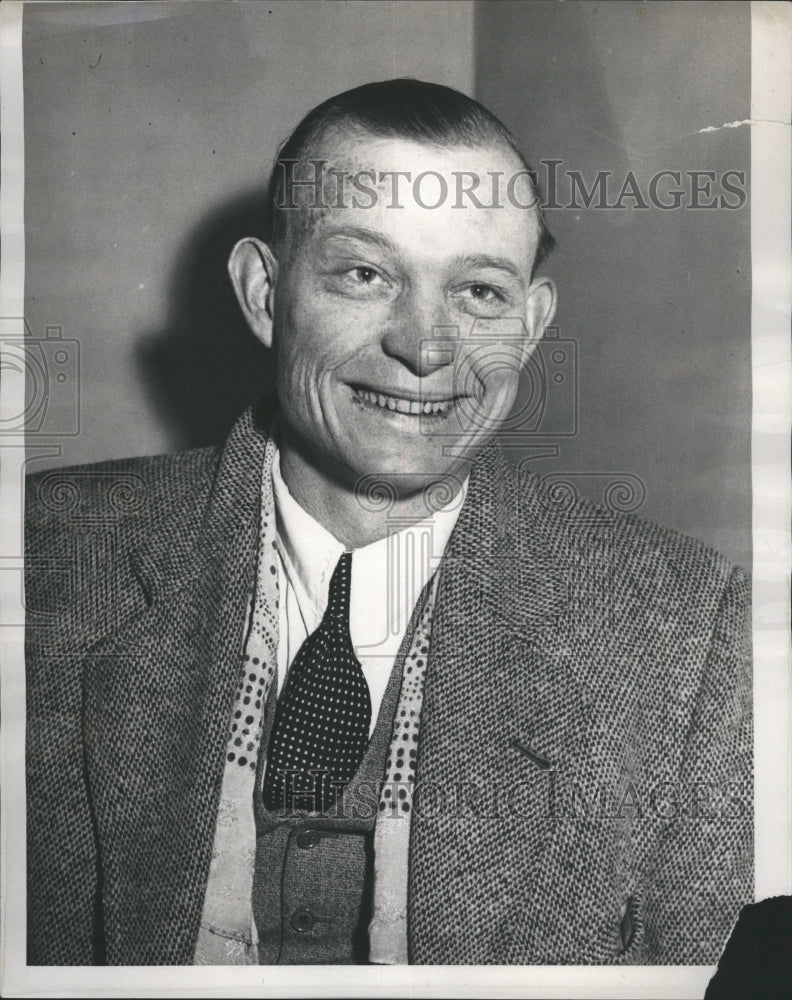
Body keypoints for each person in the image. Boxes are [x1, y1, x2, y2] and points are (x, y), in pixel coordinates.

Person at [25, 79, 751, 966]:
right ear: (264, 293)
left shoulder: (683, 625)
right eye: (365, 274)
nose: (426, 345)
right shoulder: (39, 557)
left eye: (480, 292)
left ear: (530, 323)